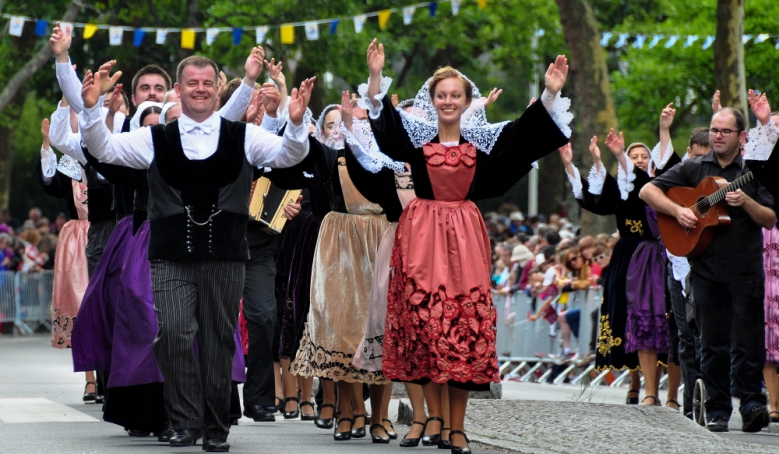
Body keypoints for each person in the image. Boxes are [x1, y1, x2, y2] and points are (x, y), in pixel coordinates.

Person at [79, 51, 314, 451]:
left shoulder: (242, 136)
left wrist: (293, 123)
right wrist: (89, 111)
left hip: (225, 255)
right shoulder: (156, 137)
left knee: (219, 338)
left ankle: (216, 425)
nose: (200, 89)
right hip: (170, 254)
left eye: (207, 83)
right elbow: (104, 150)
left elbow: (289, 155)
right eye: (192, 83)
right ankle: (185, 420)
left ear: (217, 89)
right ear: (178, 89)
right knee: (173, 333)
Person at [362, 38, 570, 453]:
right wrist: (374, 76)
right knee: (425, 327)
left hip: (465, 242)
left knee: (464, 328)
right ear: (432, 99)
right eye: (441, 95)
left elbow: (525, 138)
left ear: (466, 100)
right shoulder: (415, 143)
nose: (448, 101)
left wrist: (549, 93)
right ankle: (431, 419)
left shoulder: (482, 146)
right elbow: (384, 126)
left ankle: (456, 426)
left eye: (455, 95)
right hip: (420, 240)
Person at [640, 107, 774, 432]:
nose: (717, 136)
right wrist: (678, 211)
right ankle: (717, 410)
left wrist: (748, 203)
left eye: (725, 131)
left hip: (746, 268)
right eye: (714, 129)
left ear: (741, 136)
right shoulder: (693, 168)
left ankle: (753, 403)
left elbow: (769, 217)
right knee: (711, 343)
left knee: (748, 339)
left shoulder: (755, 171)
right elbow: (648, 190)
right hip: (706, 267)